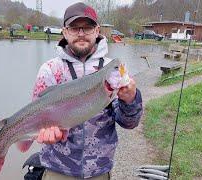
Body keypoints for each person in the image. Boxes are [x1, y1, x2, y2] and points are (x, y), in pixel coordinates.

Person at [30, 2, 143, 180]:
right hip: (57, 170)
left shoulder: (111, 69)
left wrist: (131, 100)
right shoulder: (50, 70)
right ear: (65, 32)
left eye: (87, 28)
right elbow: (37, 116)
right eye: (74, 28)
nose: (81, 33)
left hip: (99, 170)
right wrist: (45, 133)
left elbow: (129, 123)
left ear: (97, 31)